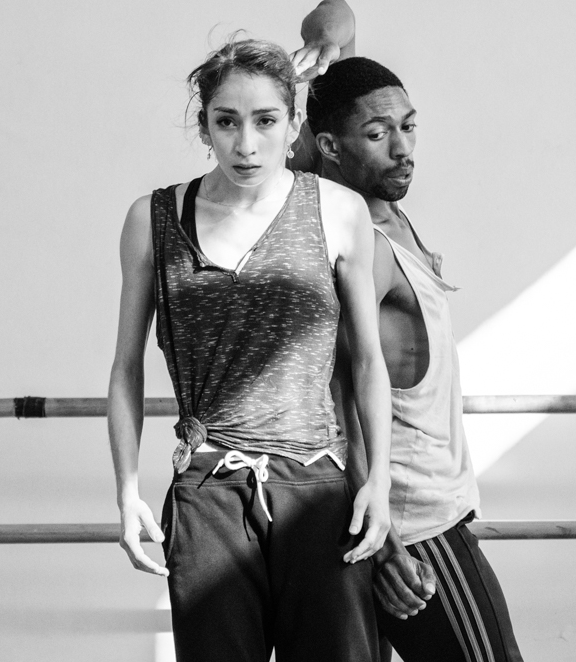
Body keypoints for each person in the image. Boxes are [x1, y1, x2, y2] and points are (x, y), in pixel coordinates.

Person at [107, 37, 394, 662]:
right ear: (203, 124)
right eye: (226, 122)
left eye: (265, 121)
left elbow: (368, 361)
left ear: (293, 124)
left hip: (316, 488)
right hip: (208, 489)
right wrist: (127, 490)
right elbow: (127, 366)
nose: (246, 144)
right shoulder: (153, 218)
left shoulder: (339, 211)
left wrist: (379, 481)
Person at [291, 0, 524, 662]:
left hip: (409, 519)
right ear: (329, 147)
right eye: (379, 133)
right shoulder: (355, 235)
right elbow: (336, 401)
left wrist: (324, 47)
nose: (402, 148)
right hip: (416, 528)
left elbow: (337, 15)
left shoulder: (379, 202)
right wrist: (387, 538)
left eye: (409, 126)